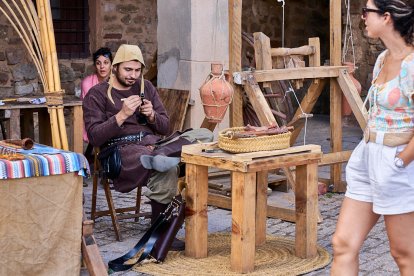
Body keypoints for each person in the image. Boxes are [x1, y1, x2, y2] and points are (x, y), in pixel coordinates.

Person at [83, 44, 213, 250]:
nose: (133, 75)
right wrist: (122, 115)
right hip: (120, 150)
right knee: (167, 167)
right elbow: (95, 136)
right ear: (115, 67)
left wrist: (152, 115)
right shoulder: (96, 94)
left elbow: (165, 126)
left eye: (137, 70)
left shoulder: (146, 88)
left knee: (204, 134)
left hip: (153, 144)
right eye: (128, 69)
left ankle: (162, 154)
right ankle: (160, 232)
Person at [331, 1, 414, 275]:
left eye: (367, 12)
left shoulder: (412, 65)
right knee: (343, 243)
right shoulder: (381, 60)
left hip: (397, 163)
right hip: (368, 156)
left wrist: (402, 160)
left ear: (387, 17)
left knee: (404, 254)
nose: (363, 18)